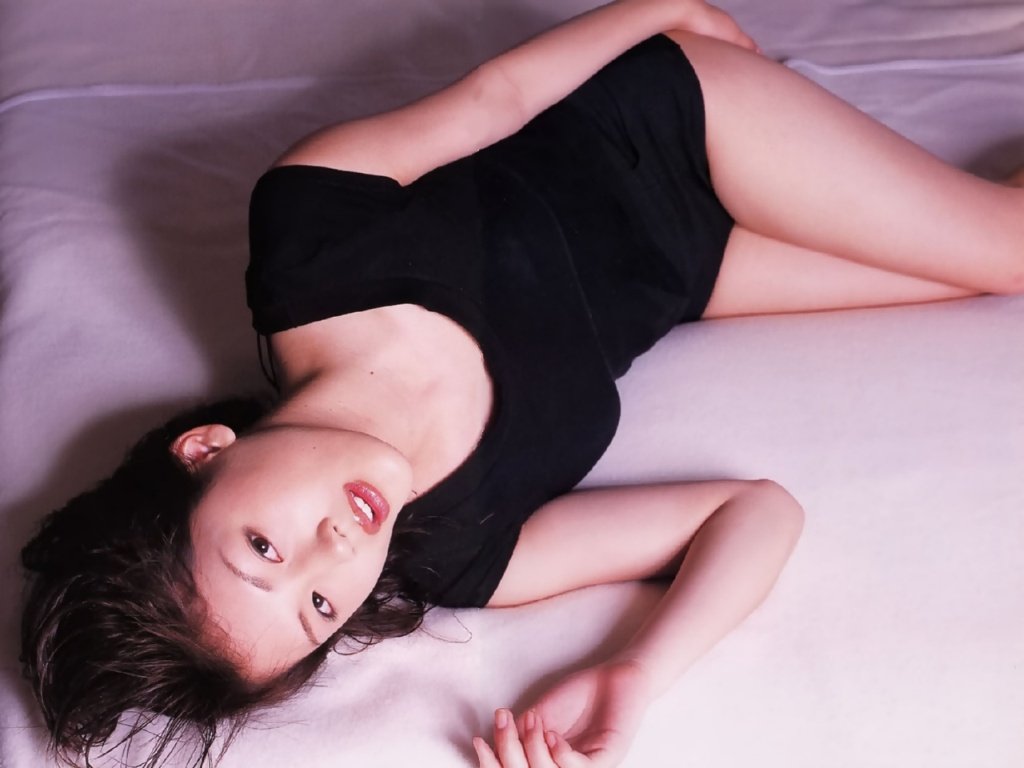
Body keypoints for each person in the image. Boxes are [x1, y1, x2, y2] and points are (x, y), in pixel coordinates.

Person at [18, 0, 1023, 767]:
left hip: (675, 128)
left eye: (263, 548)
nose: (336, 551)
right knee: (985, 264)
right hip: (687, 276)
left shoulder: (311, 237)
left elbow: (494, 98)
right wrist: (633, 670)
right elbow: (753, 512)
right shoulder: (459, 551)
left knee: (1010, 249)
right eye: (319, 606)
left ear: (203, 451)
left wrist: (661, 11)